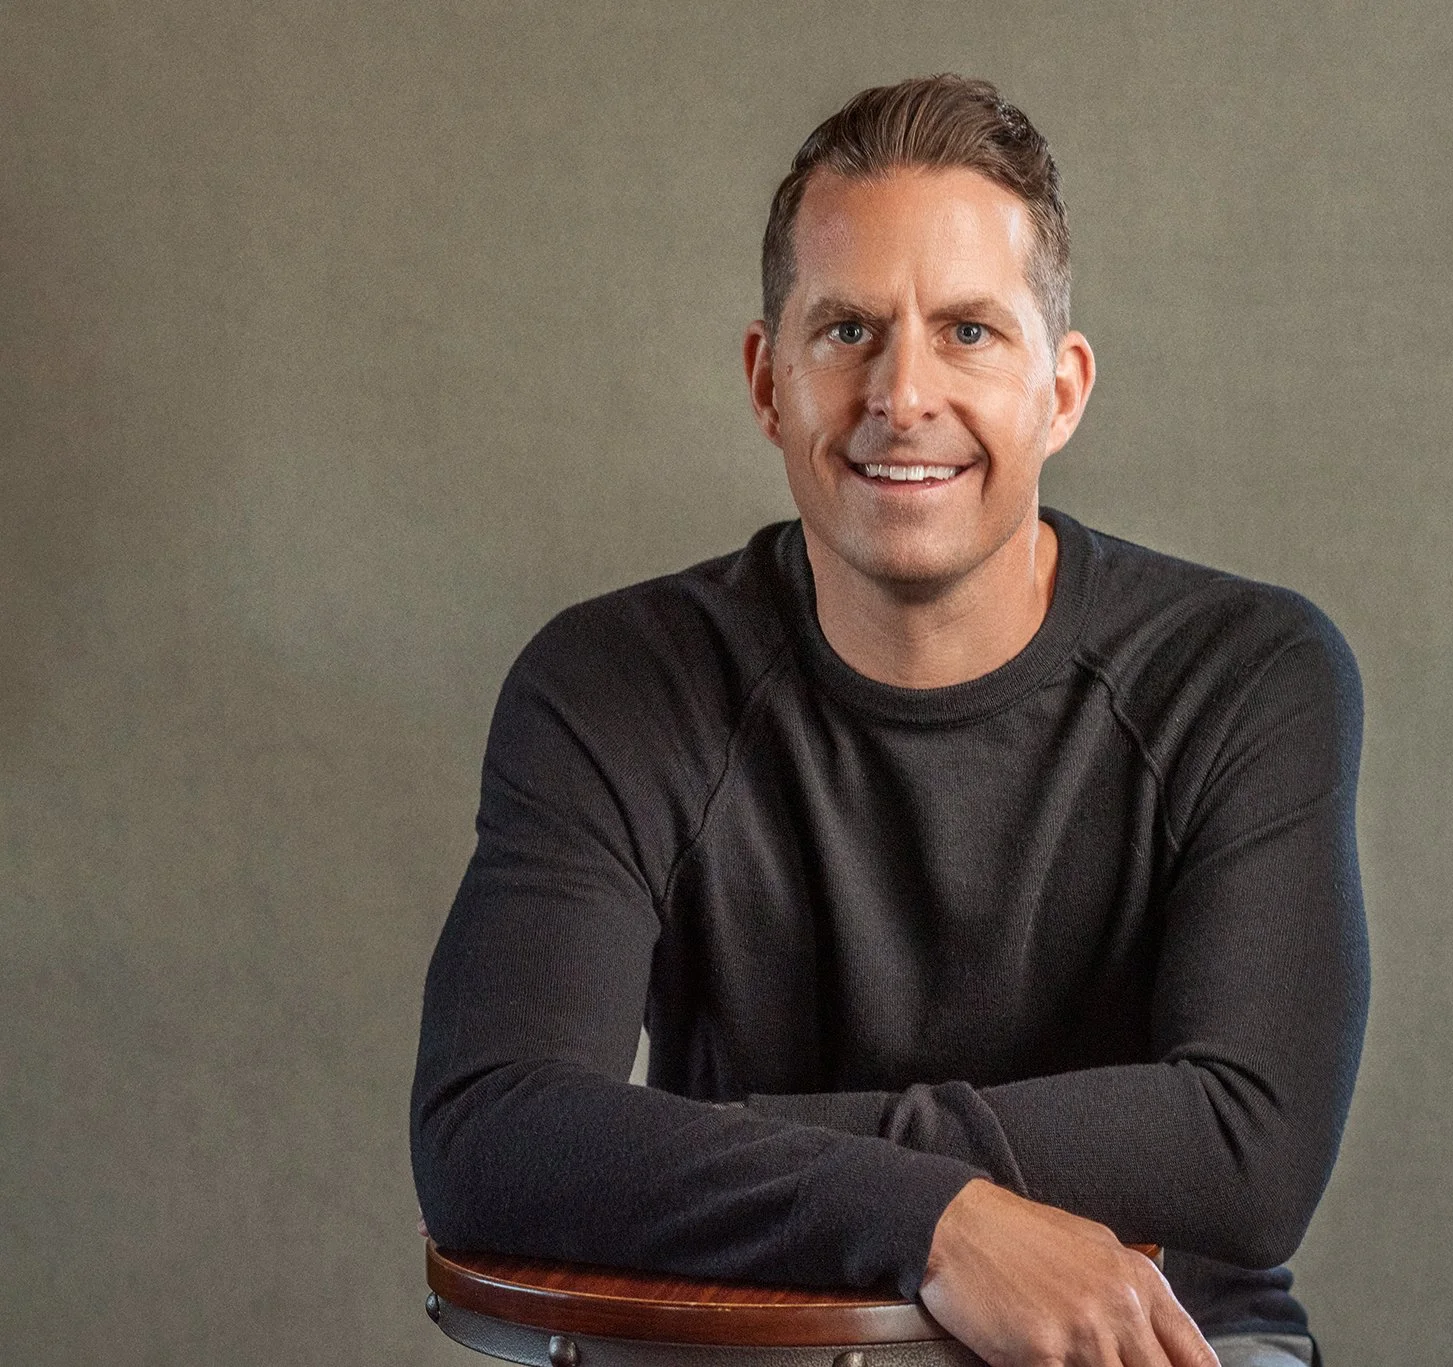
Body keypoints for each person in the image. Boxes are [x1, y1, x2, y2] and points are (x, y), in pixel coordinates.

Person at [410, 74, 1367, 1367]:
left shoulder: (1243, 675)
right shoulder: (614, 684)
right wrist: (934, 1221)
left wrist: (712, 1143)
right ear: (768, 382)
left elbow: (1249, 1149)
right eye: (848, 329)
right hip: (751, 1348)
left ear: (1062, 389)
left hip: (1149, 1344)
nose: (902, 393)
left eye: (969, 331)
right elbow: (490, 1134)